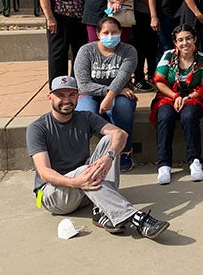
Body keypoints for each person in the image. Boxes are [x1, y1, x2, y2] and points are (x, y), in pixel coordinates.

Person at [26, 76, 169, 239]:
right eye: (60, 95)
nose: (66, 100)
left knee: (111, 140)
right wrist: (74, 182)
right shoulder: (37, 128)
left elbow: (121, 134)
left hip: (86, 185)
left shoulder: (84, 117)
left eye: (71, 95)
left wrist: (108, 157)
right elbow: (44, 172)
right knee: (86, 170)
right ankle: (137, 219)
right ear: (50, 97)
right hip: (54, 195)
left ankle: (100, 211)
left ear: (78, 96)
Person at [74, 16, 138, 172]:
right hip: (90, 94)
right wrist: (110, 92)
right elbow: (83, 84)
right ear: (97, 34)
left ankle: (124, 151)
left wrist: (110, 96)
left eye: (114, 32)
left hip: (120, 96)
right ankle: (80, 156)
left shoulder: (128, 51)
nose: (110, 36)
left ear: (121, 33)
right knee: (85, 112)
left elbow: (122, 77)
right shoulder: (86, 51)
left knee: (123, 107)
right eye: (106, 32)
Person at [150, 24, 203, 184]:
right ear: (175, 43)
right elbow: (159, 82)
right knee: (164, 116)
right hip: (168, 94)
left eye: (188, 38)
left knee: (189, 116)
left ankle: (194, 161)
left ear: (194, 39)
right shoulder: (168, 56)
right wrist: (176, 96)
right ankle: (164, 164)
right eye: (180, 40)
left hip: (194, 95)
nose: (185, 43)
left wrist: (187, 97)